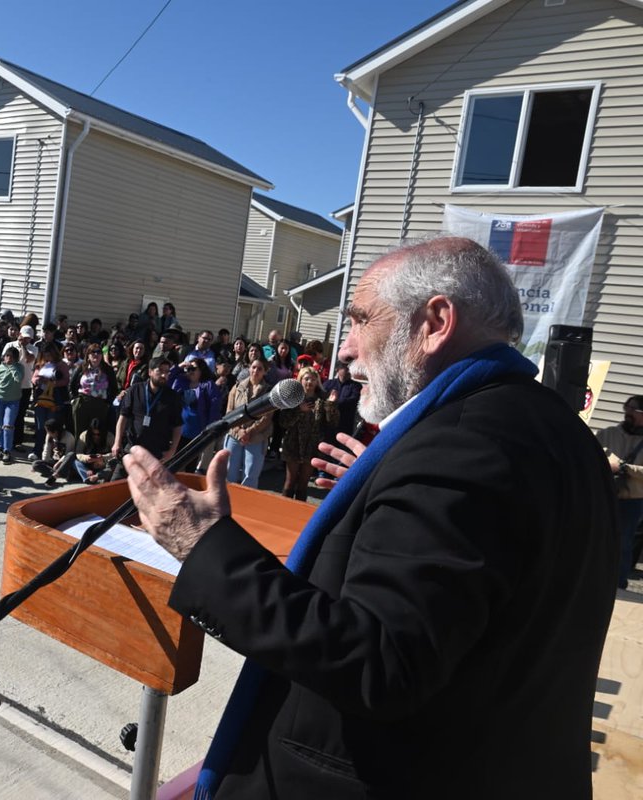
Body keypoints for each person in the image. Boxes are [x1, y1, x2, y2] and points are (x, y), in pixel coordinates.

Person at [120, 237, 617, 799]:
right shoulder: (551, 428)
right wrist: (393, 482)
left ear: (434, 322)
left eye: (358, 321)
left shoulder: (456, 453)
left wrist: (201, 544)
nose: (345, 351)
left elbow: (379, 663)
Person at [595, 396, 643, 588]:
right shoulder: (607, 434)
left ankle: (617, 584)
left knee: (623, 543)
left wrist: (624, 468)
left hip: (631, 500)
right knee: (595, 537)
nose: (628, 413)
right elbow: (591, 457)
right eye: (627, 408)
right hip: (604, 495)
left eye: (633, 410)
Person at [110, 356, 183, 481]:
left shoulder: (172, 397)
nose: (164, 375)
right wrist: (117, 442)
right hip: (133, 447)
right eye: (160, 371)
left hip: (158, 452)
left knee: (152, 489)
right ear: (150, 372)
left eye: (167, 372)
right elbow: (123, 417)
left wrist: (172, 450)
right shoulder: (135, 390)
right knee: (116, 483)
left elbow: (178, 425)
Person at [276, 367, 337, 501]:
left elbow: (331, 422)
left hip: (311, 447)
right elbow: (283, 422)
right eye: (306, 378)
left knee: (303, 485)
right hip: (293, 444)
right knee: (290, 481)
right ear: (300, 380)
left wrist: (331, 405)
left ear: (317, 382)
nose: (310, 382)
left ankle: (298, 516)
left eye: (313, 379)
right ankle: (281, 512)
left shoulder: (321, 400)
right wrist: (299, 410)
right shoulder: (293, 398)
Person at [223, 359, 273, 488]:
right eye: (254, 367)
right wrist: (239, 430)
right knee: (230, 472)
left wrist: (249, 431)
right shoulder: (238, 387)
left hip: (256, 437)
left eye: (260, 369)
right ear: (249, 368)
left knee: (250, 475)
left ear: (265, 372)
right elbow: (230, 411)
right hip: (235, 434)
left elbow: (267, 417)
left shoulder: (268, 391)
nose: (256, 371)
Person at [70, 343, 117, 442]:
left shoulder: (108, 370)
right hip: (82, 402)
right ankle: (79, 453)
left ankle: (96, 454)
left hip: (100, 404)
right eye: (93, 352)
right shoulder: (81, 367)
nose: (96, 354)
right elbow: (72, 384)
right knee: (80, 432)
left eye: (98, 352)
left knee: (98, 432)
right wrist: (74, 399)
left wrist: (107, 403)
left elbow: (114, 388)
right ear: (88, 355)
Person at [0, 346, 25, 463]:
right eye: (7, 356)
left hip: (13, 401)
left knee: (8, 425)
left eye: (12, 357)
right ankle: (0, 448)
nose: (8, 358)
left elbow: (18, 379)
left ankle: (7, 450)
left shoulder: (19, 368)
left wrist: (12, 366)